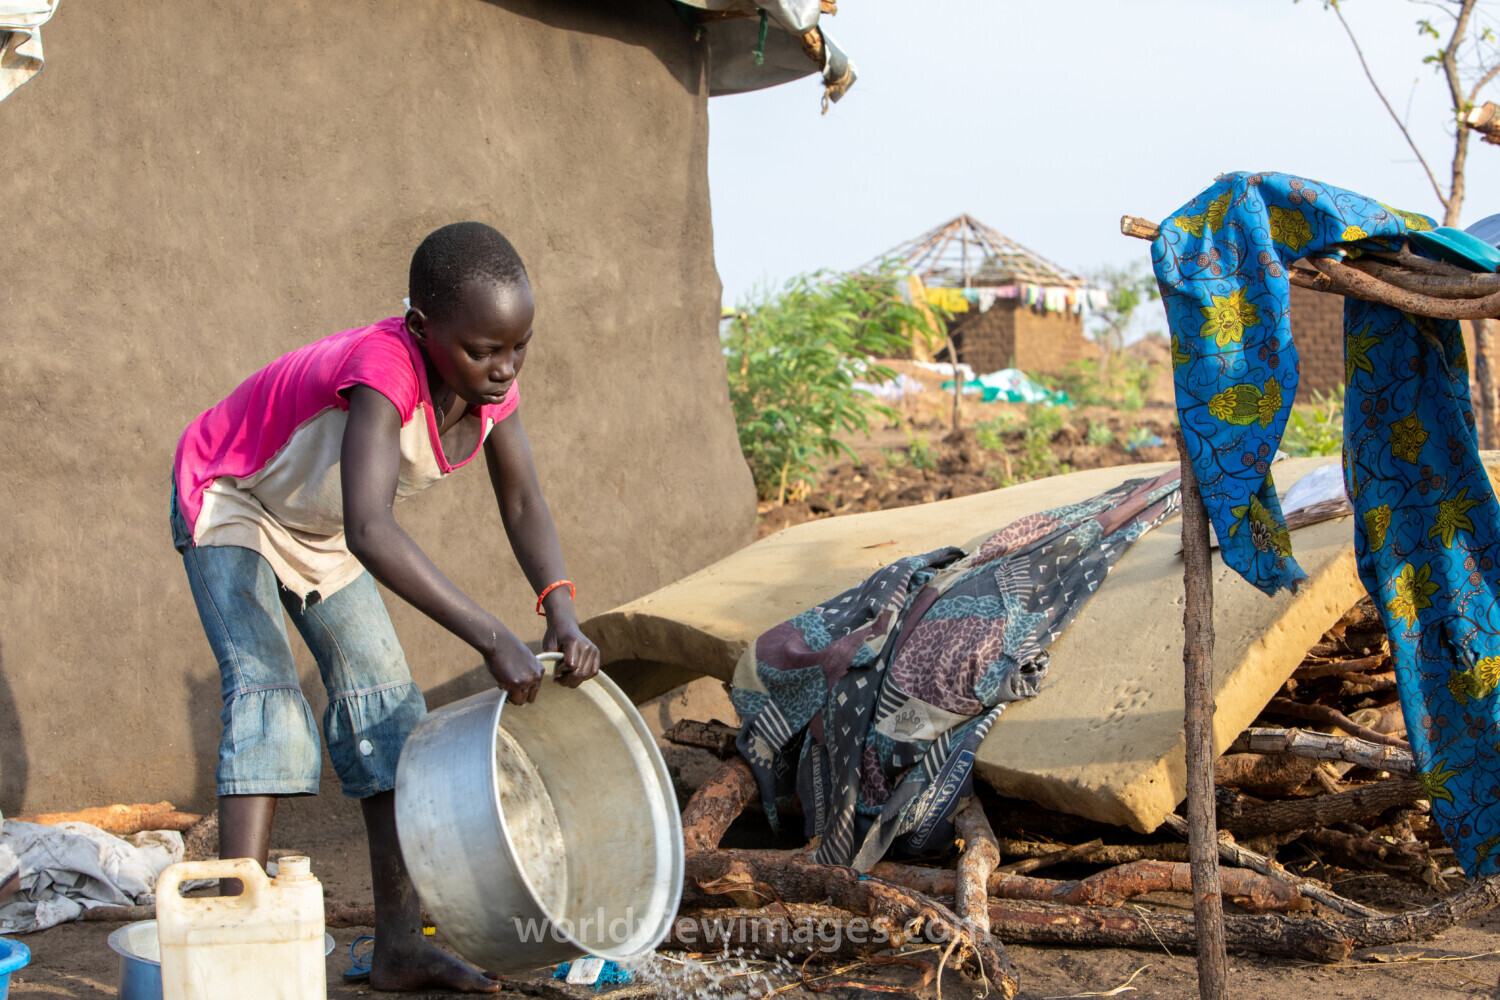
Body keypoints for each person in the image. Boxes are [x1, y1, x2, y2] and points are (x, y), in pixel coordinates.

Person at [170, 222, 600, 992]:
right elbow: (372, 528)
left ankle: (400, 945)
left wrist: (558, 608)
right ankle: (238, 946)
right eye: (482, 352)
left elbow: (524, 499)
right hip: (232, 498)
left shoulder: (489, 391)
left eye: (518, 347)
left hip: (320, 526)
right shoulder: (383, 368)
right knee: (268, 694)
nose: (503, 370)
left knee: (386, 713)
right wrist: (488, 635)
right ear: (423, 329)